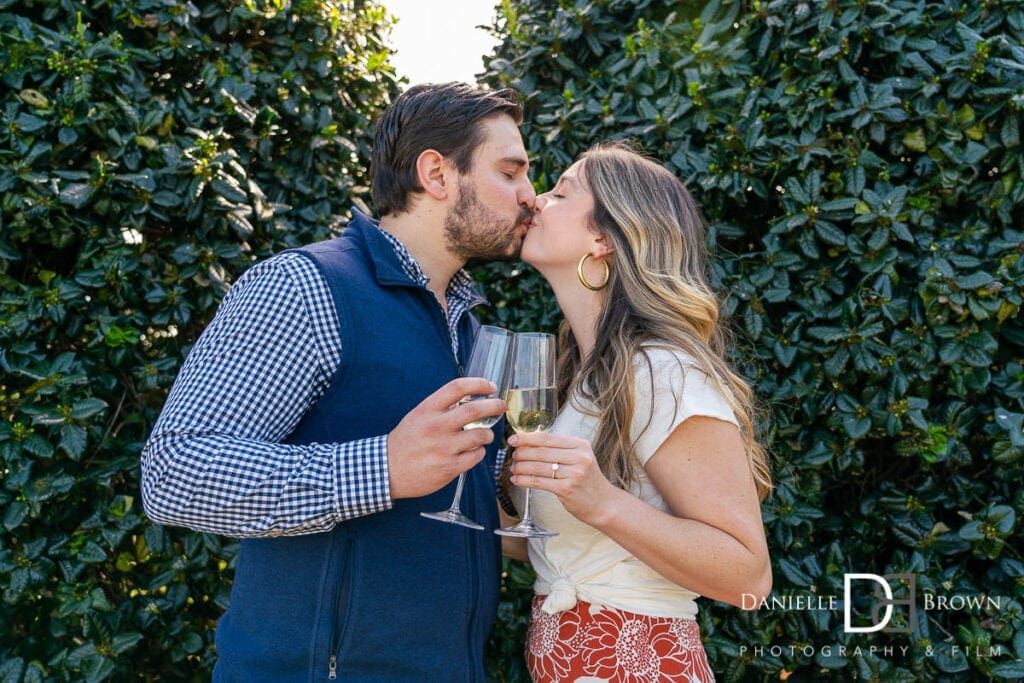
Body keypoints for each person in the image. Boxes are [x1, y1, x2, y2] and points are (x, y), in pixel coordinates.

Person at [140, 82, 536, 681]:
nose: (530, 196)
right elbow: (176, 473)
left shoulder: (467, 326)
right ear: (436, 174)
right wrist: (381, 469)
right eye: (511, 172)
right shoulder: (303, 287)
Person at [501, 141, 773, 683]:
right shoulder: (577, 374)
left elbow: (750, 578)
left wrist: (601, 502)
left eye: (560, 193)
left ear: (603, 238)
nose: (535, 201)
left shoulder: (662, 371)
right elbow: (558, 553)